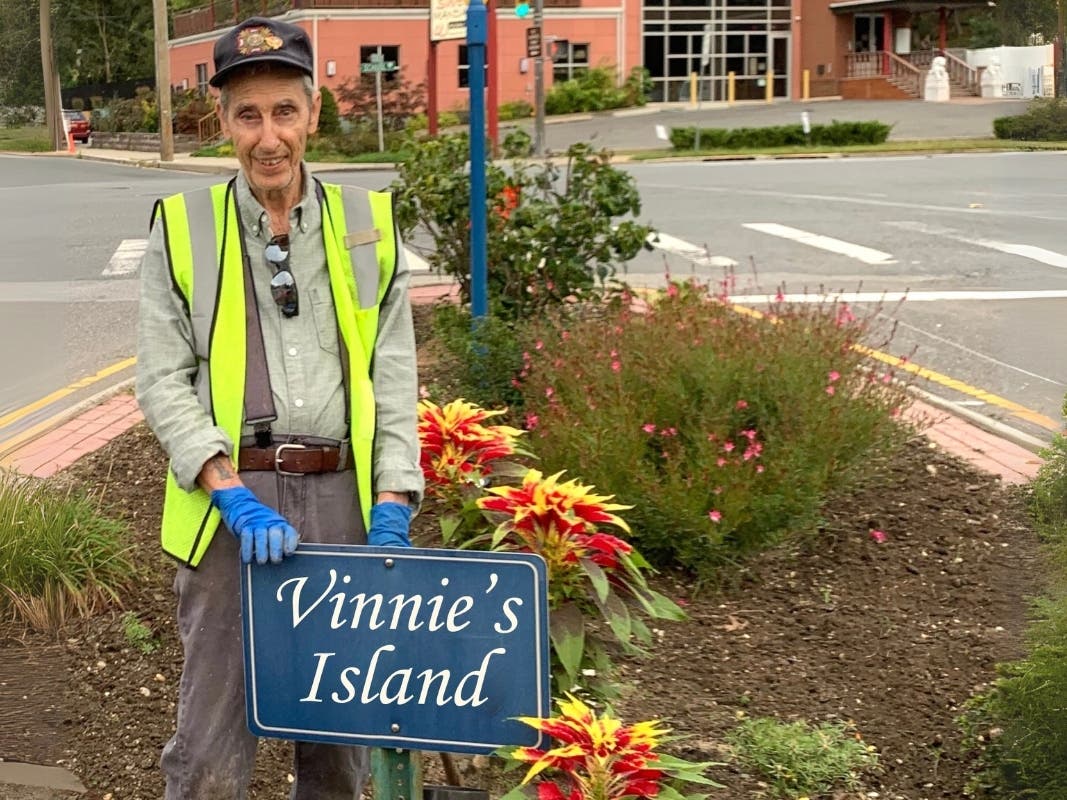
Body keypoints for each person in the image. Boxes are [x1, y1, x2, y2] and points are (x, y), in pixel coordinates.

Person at [135, 15, 424, 800]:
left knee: (339, 746)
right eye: (248, 114)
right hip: (232, 509)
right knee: (209, 748)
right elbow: (161, 378)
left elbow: (393, 373)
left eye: (284, 112)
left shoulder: (367, 226)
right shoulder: (182, 228)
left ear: (313, 116)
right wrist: (228, 491)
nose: (269, 137)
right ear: (222, 122)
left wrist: (393, 497)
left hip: (343, 501)